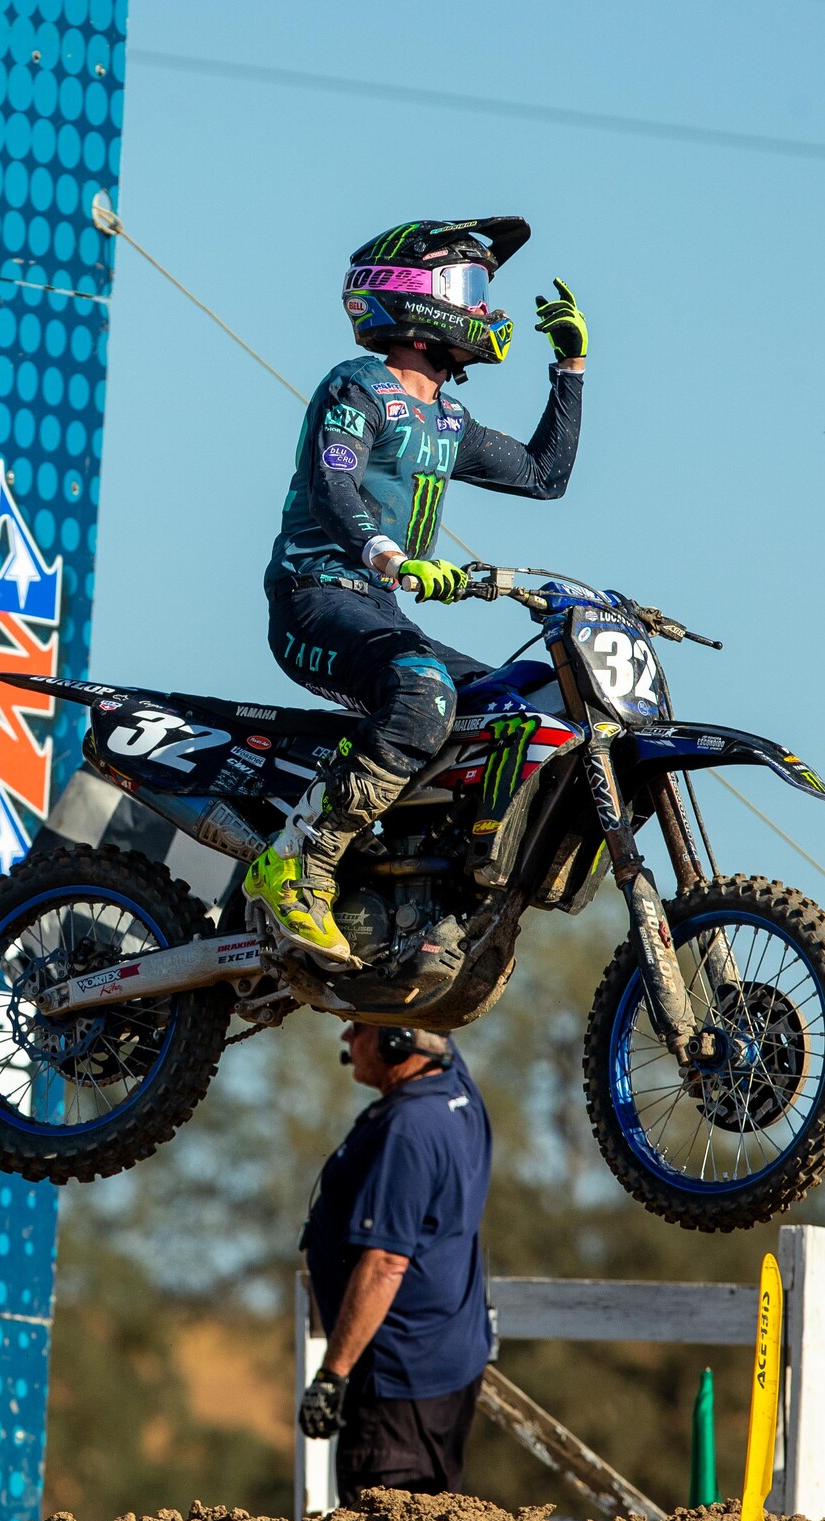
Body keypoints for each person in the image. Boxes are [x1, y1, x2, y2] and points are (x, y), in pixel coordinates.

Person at [245, 217, 589, 966]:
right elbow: (332, 485)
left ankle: (425, 894)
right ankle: (298, 861)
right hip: (314, 593)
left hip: (378, 607)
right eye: (469, 287)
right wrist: (390, 556)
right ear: (413, 296)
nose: (483, 306)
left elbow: (543, 475)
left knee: (514, 700)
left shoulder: (446, 416)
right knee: (423, 692)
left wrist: (570, 369)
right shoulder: (358, 386)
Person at [297, 1022, 494, 1497]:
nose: (345, 1037)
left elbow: (386, 1263)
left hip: (396, 1387)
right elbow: (436, 1015)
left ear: (397, 1043)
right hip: (443, 1364)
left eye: (359, 1028)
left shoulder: (408, 1129)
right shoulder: (456, 1087)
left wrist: (332, 1375)